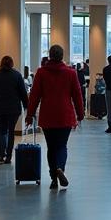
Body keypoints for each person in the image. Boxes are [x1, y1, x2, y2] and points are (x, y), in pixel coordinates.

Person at [26, 44, 84, 189]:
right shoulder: (71, 73)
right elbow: (77, 95)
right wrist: (80, 114)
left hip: (48, 116)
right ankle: (60, 168)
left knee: (51, 147)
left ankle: (53, 178)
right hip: (65, 115)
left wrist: (30, 114)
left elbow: (34, 96)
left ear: (50, 56)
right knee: (62, 145)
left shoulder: (41, 72)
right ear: (62, 56)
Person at [0, 55, 28, 162]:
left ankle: (1, 154)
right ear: (12, 63)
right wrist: (27, 106)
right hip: (14, 109)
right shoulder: (17, 75)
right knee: (11, 131)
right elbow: (23, 93)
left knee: (2, 131)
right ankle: (9, 155)